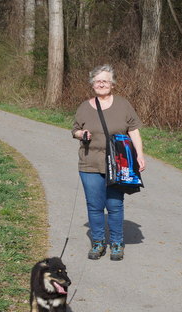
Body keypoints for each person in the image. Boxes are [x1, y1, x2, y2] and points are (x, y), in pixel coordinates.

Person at [72, 64, 146, 261]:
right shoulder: (84, 107)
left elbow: (134, 130)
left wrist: (139, 155)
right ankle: (97, 242)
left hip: (118, 163)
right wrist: (81, 134)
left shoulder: (123, 105)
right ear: (92, 84)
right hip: (90, 163)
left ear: (112, 84)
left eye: (105, 80)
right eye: (97, 81)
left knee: (114, 204)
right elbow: (75, 130)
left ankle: (116, 243)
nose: (101, 84)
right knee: (94, 205)